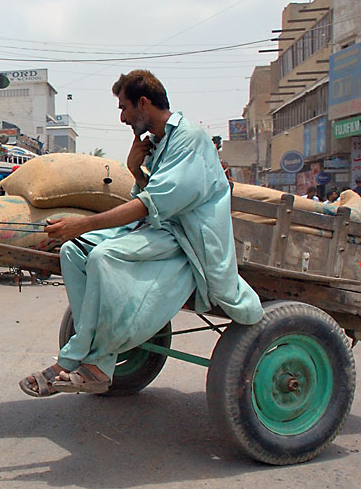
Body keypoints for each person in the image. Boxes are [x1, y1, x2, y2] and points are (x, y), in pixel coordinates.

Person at [20, 70, 263, 397]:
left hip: (188, 241)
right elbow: (156, 198)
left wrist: (82, 224)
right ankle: (90, 354)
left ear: (144, 103)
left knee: (103, 257)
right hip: (163, 230)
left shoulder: (189, 138)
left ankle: (87, 361)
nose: (121, 117)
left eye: (124, 108)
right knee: (73, 251)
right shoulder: (162, 144)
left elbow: (153, 203)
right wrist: (135, 169)